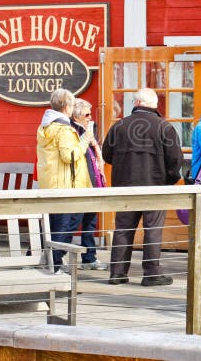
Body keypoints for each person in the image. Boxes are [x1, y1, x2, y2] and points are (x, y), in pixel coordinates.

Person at [102, 88, 183, 286]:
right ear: (155, 106)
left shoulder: (119, 126)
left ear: (136, 104)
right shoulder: (165, 127)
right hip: (155, 187)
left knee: (122, 229)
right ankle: (151, 274)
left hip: (125, 187)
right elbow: (176, 160)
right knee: (153, 229)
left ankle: (117, 273)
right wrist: (169, 180)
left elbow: (106, 155)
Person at [36, 89, 94, 273]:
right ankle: (54, 267)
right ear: (67, 107)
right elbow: (70, 156)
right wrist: (85, 139)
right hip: (66, 186)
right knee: (62, 229)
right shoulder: (64, 130)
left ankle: (50, 265)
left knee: (53, 227)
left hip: (50, 184)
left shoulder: (45, 127)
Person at [69, 98, 109, 271]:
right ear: (76, 116)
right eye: (87, 114)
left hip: (91, 183)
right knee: (70, 223)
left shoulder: (87, 131)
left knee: (90, 223)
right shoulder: (73, 132)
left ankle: (89, 257)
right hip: (78, 185)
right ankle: (54, 257)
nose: (90, 117)